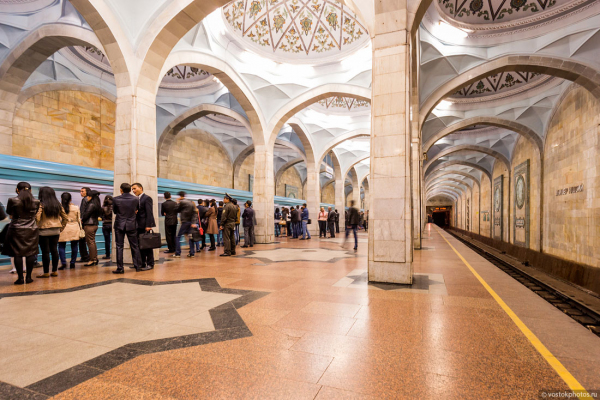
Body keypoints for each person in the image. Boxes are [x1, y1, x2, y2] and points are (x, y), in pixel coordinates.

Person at [2, 182, 40, 284]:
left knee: (17, 254)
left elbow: (9, 212)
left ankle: (20, 278)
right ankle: (28, 277)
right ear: (30, 190)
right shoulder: (36, 201)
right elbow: (34, 214)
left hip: (16, 229)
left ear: (17, 190)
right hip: (31, 229)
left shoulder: (12, 200)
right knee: (31, 253)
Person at [35, 187, 68, 278]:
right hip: (55, 230)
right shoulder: (58, 204)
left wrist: (36, 227)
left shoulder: (41, 204)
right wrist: (61, 228)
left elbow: (37, 218)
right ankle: (54, 271)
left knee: (45, 252)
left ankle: (46, 272)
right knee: (54, 250)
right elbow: (65, 218)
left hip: (43, 231)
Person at [112, 183, 142, 273]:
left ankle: (120, 268)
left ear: (121, 190)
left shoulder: (116, 199)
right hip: (132, 225)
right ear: (130, 190)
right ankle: (138, 266)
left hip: (119, 225)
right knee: (135, 246)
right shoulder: (136, 199)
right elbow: (137, 209)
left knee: (119, 246)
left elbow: (115, 211)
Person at [132, 183, 155, 270]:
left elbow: (149, 212)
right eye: (132, 189)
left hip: (144, 226)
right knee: (140, 245)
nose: (133, 191)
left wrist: (149, 225)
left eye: (135, 188)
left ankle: (150, 263)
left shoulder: (147, 198)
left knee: (147, 245)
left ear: (140, 188)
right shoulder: (137, 199)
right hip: (137, 225)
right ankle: (142, 263)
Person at [58, 192, 80, 270]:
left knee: (61, 246)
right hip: (74, 227)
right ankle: (72, 263)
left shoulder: (59, 208)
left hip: (62, 228)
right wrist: (80, 228)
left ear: (61, 199)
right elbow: (79, 219)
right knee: (74, 246)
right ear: (70, 199)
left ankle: (63, 262)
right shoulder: (76, 207)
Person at [173, 191, 198, 258]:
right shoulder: (190, 202)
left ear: (180, 196)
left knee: (178, 237)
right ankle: (192, 253)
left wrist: (177, 202)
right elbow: (195, 213)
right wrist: (193, 223)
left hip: (185, 222)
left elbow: (176, 210)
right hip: (190, 223)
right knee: (190, 237)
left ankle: (177, 253)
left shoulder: (182, 202)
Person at [81, 190, 101, 266]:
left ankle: (92, 259)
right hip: (94, 224)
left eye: (88, 196)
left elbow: (86, 215)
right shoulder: (97, 204)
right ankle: (94, 258)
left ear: (91, 197)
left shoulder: (91, 204)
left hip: (89, 225)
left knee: (90, 242)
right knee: (92, 242)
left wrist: (82, 220)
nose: (87, 198)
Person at [77, 187, 91, 262]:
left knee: (82, 240)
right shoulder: (89, 199)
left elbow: (83, 211)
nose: (81, 193)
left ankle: (84, 256)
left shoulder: (84, 199)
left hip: (84, 223)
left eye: (82, 191)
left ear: (87, 192)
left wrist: (81, 220)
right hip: (89, 223)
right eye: (80, 191)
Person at [101, 195, 113, 259]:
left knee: (107, 241)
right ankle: (115, 254)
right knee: (116, 240)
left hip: (105, 225)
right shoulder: (114, 207)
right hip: (112, 225)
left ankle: (107, 255)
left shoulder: (103, 207)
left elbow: (101, 216)